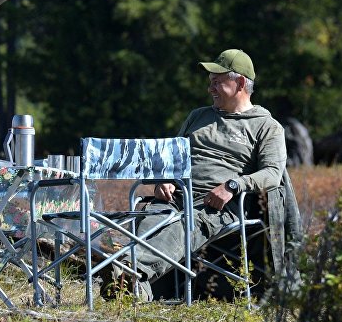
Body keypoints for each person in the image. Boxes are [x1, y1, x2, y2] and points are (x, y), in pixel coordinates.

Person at [111, 48, 288, 300]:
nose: (210, 89)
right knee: (152, 218)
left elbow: (272, 174)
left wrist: (233, 186)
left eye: (217, 82)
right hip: (177, 196)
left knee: (184, 225)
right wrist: (165, 179)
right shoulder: (198, 116)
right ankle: (133, 284)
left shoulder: (266, 126)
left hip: (217, 205)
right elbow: (170, 157)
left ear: (239, 83)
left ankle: (131, 274)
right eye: (210, 83)